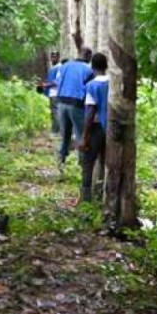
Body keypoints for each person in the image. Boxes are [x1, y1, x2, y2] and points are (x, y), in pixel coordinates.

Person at [77, 53, 110, 204]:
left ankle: (86, 199)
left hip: (97, 128)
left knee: (88, 162)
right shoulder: (113, 83)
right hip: (113, 129)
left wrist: (84, 137)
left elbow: (90, 111)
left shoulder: (91, 86)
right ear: (107, 66)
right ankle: (103, 195)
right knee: (106, 162)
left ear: (92, 67)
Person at [53, 48, 94, 168]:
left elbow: (58, 82)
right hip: (76, 104)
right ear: (87, 56)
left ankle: (61, 162)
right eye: (90, 56)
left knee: (65, 134)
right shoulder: (88, 70)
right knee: (81, 135)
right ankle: (82, 164)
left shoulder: (64, 66)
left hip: (61, 102)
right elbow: (90, 88)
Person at [41, 52, 62, 135]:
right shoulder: (52, 68)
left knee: (56, 112)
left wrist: (46, 85)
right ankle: (55, 130)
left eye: (55, 56)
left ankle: (59, 131)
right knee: (53, 112)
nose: (53, 58)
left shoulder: (59, 67)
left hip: (56, 93)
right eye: (52, 56)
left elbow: (58, 81)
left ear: (58, 57)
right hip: (51, 93)